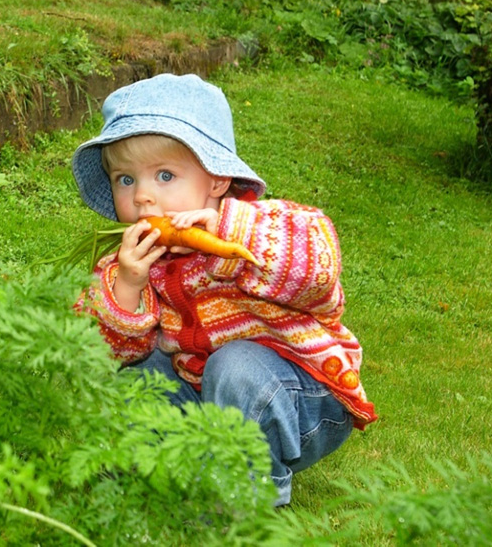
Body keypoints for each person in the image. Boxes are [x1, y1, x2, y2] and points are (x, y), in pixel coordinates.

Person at [71, 73, 377, 506]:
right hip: (201, 397)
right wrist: (126, 287)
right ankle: (139, 475)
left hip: (299, 401)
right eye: (125, 180)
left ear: (216, 180)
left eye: (164, 175)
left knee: (235, 366)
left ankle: (242, 503)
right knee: (138, 377)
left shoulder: (264, 227)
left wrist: (235, 239)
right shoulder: (135, 262)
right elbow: (95, 351)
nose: (142, 197)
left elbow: (320, 274)